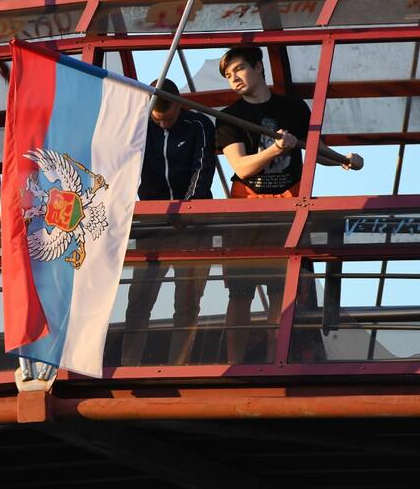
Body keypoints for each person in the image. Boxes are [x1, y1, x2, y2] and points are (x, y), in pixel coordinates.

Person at [215, 46, 363, 364]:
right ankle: (234, 365)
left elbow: (316, 151)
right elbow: (241, 167)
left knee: (281, 293)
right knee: (240, 293)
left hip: (287, 208)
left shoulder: (293, 108)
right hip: (247, 211)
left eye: (239, 69)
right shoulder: (230, 116)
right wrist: (276, 149)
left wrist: (343, 160)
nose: (234, 78)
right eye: (228, 75)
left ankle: (275, 360)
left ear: (259, 67)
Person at [122, 79, 215, 366]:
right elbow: (123, 167)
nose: (163, 124)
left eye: (170, 119)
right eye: (158, 119)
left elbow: (202, 169)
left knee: (187, 302)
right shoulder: (138, 126)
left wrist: (187, 208)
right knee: (139, 299)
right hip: (153, 227)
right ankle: (129, 364)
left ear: (179, 105)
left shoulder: (199, 125)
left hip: (193, 227)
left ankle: (179, 364)